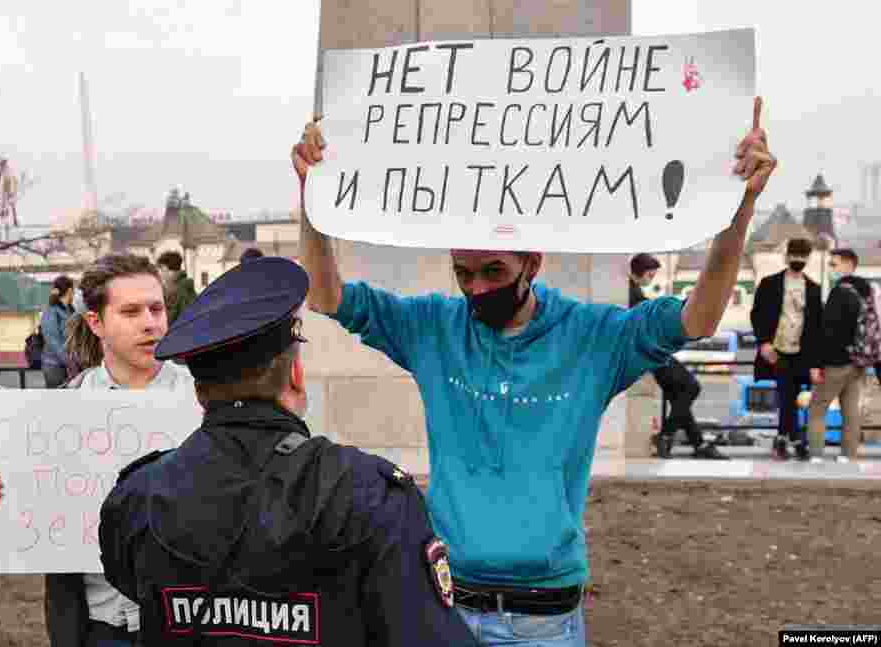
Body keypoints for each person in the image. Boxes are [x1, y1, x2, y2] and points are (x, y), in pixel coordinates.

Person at [292, 97, 776, 646]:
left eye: (494, 271)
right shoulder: (431, 326)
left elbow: (699, 316)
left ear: (534, 262)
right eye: (463, 273)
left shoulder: (593, 337)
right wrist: (314, 198)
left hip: (546, 621)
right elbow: (327, 295)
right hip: (448, 607)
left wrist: (737, 210)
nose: (476, 288)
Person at [98, 256, 475, 646]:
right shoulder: (368, 493)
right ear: (295, 376)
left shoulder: (137, 497)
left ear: (200, 393)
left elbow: (129, 582)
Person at [0, 253, 194, 647]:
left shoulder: (204, 399)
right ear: (95, 322)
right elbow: (17, 498)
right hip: (98, 626)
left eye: (156, 309)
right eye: (131, 311)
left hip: (187, 623)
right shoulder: (60, 409)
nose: (150, 322)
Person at [629, 254, 727, 460]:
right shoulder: (630, 292)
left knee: (678, 397)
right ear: (641, 272)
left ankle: (698, 443)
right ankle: (666, 436)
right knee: (691, 387)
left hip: (651, 351)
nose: (652, 279)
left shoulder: (632, 291)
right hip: (652, 352)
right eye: (651, 275)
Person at [750, 237, 823, 461]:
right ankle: (794, 441)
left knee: (791, 397)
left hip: (802, 353)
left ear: (808, 258)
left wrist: (815, 364)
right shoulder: (769, 283)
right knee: (786, 394)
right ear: (787, 256)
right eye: (795, 255)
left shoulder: (814, 289)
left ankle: (787, 438)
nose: (798, 260)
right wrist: (763, 342)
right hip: (777, 350)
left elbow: (817, 329)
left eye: (802, 256)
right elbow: (757, 315)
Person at [807, 249, 873, 464]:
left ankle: (816, 455)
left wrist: (816, 364)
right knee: (850, 411)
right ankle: (848, 454)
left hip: (836, 363)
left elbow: (827, 332)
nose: (830, 269)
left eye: (834, 265)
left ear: (848, 265)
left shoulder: (840, 293)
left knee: (817, 408)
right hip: (859, 361)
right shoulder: (866, 291)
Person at [40, 275, 76, 388]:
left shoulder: (71, 310)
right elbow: (53, 341)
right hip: (54, 365)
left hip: (69, 364)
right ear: (69, 291)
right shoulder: (51, 311)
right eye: (74, 290)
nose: (74, 294)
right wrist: (70, 362)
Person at [156, 250, 198, 326]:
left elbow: (168, 321)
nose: (160, 274)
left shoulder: (175, 291)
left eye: (160, 269)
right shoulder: (186, 287)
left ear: (165, 268)